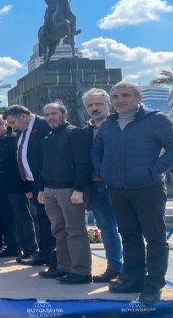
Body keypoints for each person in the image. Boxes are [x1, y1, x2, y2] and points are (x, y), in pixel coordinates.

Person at [91, 82, 173, 304]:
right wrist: (103, 172)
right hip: (117, 189)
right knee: (129, 236)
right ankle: (134, 279)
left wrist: (154, 170)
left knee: (155, 238)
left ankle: (153, 285)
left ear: (138, 98)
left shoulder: (156, 120)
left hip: (149, 188)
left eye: (126, 95)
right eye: (116, 96)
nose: (120, 100)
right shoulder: (109, 124)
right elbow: (96, 150)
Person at [36, 102, 92, 285]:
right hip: (50, 189)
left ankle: (81, 271)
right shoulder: (47, 137)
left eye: (54, 113)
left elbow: (83, 163)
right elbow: (43, 166)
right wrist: (41, 188)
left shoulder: (75, 133)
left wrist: (79, 189)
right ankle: (63, 267)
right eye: (47, 114)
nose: (50, 117)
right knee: (58, 231)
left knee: (75, 231)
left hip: (69, 190)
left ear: (64, 114)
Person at [3, 105, 56, 269]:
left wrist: (41, 184)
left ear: (24, 116)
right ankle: (44, 254)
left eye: (13, 122)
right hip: (32, 183)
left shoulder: (43, 125)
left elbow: (47, 156)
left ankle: (54, 258)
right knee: (41, 220)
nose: (11, 126)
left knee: (50, 221)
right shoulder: (19, 131)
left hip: (47, 181)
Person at [0, 114, 38, 259]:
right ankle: (13, 247)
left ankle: (30, 249)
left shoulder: (15, 139)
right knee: (6, 219)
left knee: (22, 219)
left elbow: (24, 163)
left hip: (15, 185)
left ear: (6, 125)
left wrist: (28, 186)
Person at [81, 88, 123, 283]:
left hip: (121, 185)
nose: (94, 108)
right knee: (106, 228)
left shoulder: (121, 126)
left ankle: (132, 269)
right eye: (90, 105)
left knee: (128, 228)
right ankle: (114, 267)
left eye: (98, 104)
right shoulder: (84, 131)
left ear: (109, 105)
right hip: (96, 186)